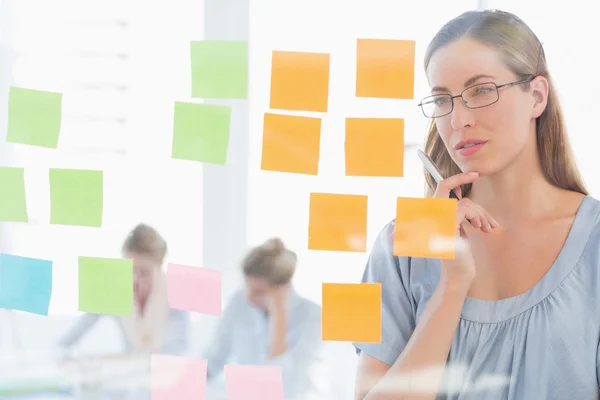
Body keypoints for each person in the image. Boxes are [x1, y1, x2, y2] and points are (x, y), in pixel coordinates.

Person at [353, 9, 600, 400]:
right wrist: (452, 286)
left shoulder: (595, 244)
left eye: (481, 91)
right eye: (441, 100)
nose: (458, 119)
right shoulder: (397, 245)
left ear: (536, 96)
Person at [202, 238, 327, 400]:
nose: (248, 297)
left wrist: (279, 315)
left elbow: (284, 383)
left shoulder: (312, 317)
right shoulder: (238, 303)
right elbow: (215, 357)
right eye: (246, 286)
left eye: (258, 291)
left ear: (283, 289)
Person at [58, 224, 189, 357]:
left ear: (159, 266)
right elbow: (67, 340)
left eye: (144, 272)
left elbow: (179, 348)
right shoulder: (113, 291)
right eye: (129, 269)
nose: (134, 279)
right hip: (128, 373)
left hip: (164, 372)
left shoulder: (176, 294)